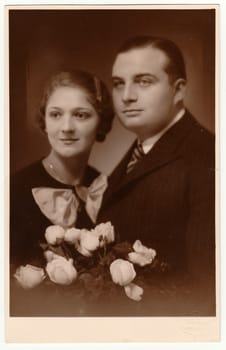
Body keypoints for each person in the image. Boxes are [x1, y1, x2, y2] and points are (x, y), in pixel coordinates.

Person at [97, 36, 215, 315]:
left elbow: (207, 291)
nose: (126, 96)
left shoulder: (207, 158)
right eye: (118, 84)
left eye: (144, 81)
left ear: (178, 90)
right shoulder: (140, 151)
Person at [10, 70, 114, 274]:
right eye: (56, 114)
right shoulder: (13, 191)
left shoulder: (106, 187)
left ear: (100, 121)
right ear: (45, 121)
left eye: (80, 115)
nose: (66, 127)